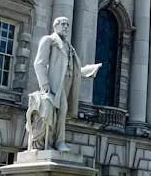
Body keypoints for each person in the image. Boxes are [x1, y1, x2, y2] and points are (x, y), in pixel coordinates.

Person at [29, 17, 100, 151]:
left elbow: (73, 69)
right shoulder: (49, 40)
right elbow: (39, 64)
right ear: (55, 26)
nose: (66, 27)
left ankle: (57, 142)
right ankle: (53, 142)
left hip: (66, 84)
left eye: (68, 24)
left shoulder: (69, 46)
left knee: (62, 111)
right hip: (54, 84)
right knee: (57, 111)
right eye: (63, 24)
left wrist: (88, 71)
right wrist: (45, 85)